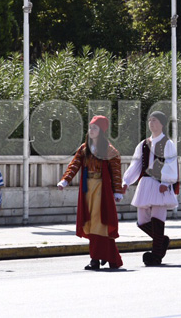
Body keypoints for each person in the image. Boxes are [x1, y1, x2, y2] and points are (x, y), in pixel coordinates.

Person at [57, 115, 124, 270]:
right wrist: (65, 180)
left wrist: (117, 191)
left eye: (95, 128)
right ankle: (107, 257)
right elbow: (74, 165)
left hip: (101, 189)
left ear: (101, 131)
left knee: (98, 223)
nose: (91, 130)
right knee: (90, 223)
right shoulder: (84, 148)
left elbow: (115, 172)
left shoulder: (109, 150)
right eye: (90, 127)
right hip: (87, 189)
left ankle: (95, 259)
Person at [123, 111, 178, 266]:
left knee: (157, 219)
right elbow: (136, 164)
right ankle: (162, 240)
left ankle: (156, 255)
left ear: (162, 124)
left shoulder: (168, 143)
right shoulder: (143, 144)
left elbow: (171, 163)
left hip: (160, 184)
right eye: (150, 120)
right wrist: (126, 181)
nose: (151, 123)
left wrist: (166, 182)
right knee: (142, 221)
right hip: (146, 183)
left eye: (155, 120)